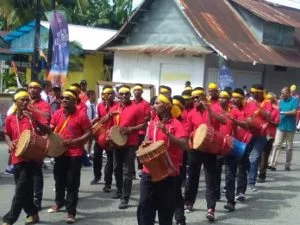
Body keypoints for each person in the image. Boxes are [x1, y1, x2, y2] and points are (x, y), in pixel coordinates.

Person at [137, 93, 187, 225]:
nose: (154, 105)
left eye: (157, 103)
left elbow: (184, 144)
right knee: (144, 207)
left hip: (168, 173)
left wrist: (167, 133)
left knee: (165, 211)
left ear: (166, 106)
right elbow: (148, 140)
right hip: (149, 171)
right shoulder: (153, 123)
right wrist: (145, 144)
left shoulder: (176, 124)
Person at [48, 89, 92, 224]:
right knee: (59, 179)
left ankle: (71, 211)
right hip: (60, 152)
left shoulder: (81, 115)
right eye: (62, 98)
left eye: (67, 98)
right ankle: (59, 202)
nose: (64, 100)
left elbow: (89, 133)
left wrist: (75, 142)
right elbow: (51, 128)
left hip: (75, 153)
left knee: (72, 183)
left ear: (74, 101)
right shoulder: (57, 113)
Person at [184, 86, 225, 222]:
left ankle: (211, 209)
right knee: (192, 177)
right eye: (194, 98)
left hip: (210, 149)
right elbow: (187, 131)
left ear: (203, 97)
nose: (195, 100)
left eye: (198, 97)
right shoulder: (191, 113)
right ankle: (189, 202)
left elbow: (223, 121)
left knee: (210, 179)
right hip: (195, 149)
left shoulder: (213, 109)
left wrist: (209, 110)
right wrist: (193, 135)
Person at [101, 85, 145, 209]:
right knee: (116, 168)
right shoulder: (115, 108)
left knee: (127, 171)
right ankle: (120, 190)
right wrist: (109, 116)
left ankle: (125, 197)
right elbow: (102, 121)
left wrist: (130, 129)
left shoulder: (136, 108)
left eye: (126, 93)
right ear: (118, 95)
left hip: (130, 144)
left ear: (130, 95)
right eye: (121, 93)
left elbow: (143, 125)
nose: (124, 95)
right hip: (116, 143)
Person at [2, 89, 40, 225]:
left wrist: (33, 119)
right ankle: (33, 213)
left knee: (20, 189)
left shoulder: (32, 117)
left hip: (31, 158)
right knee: (25, 189)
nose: (25, 102)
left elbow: (39, 132)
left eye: (26, 100)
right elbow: (6, 133)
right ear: (15, 102)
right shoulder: (10, 118)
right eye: (22, 100)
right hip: (16, 157)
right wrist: (9, 142)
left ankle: (9, 219)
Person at [243, 84, 272, 191]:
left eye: (255, 92)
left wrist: (258, 107)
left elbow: (268, 117)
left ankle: (251, 183)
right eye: (252, 92)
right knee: (244, 156)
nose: (253, 94)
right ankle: (245, 176)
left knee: (254, 159)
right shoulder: (249, 103)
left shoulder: (267, 103)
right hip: (249, 133)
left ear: (260, 93)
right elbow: (245, 115)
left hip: (260, 135)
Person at [28, 81, 51, 211]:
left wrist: (32, 109)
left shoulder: (44, 104)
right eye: (30, 88)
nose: (32, 90)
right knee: (24, 170)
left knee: (36, 170)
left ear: (40, 90)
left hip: (39, 139)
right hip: (24, 139)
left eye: (35, 88)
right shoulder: (22, 101)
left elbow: (47, 117)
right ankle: (25, 197)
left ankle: (37, 200)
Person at [91, 86, 118, 194]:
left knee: (110, 161)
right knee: (97, 156)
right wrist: (93, 122)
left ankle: (108, 183)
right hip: (100, 135)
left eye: (111, 93)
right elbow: (100, 119)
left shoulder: (117, 106)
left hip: (111, 136)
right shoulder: (99, 105)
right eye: (107, 94)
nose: (109, 96)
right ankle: (97, 176)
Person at [269, 87, 299, 171]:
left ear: (288, 93)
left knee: (289, 147)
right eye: (281, 93)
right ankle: (272, 164)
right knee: (276, 145)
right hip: (281, 126)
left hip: (290, 127)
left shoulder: (295, 100)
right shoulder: (280, 102)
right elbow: (276, 110)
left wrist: (283, 113)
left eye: (283, 93)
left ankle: (287, 164)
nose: (281, 95)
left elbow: (294, 112)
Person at [257, 93, 279, 182]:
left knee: (264, 155)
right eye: (267, 99)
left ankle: (262, 175)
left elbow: (277, 123)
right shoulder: (260, 109)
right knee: (256, 155)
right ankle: (255, 172)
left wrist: (269, 120)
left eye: (270, 99)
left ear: (273, 100)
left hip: (269, 135)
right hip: (259, 134)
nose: (268, 101)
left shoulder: (276, 111)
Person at [132, 84, 151, 179]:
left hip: (141, 132)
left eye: (139, 90)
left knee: (140, 151)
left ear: (142, 92)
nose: (137, 91)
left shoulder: (146, 104)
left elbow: (148, 117)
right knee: (131, 152)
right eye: (135, 90)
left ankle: (140, 169)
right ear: (133, 92)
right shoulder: (130, 103)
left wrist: (139, 119)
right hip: (131, 132)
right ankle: (131, 171)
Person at [85, 90, 97, 156]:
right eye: (94, 95)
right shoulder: (86, 105)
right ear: (90, 96)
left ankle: (89, 153)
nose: (95, 96)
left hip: (94, 124)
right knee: (88, 140)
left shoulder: (94, 105)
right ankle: (87, 153)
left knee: (91, 140)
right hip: (88, 124)